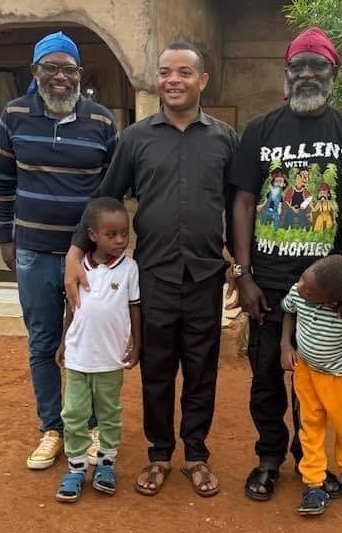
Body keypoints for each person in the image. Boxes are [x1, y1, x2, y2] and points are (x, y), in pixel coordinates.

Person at [64, 41, 238, 498]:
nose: (173, 80)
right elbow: (106, 198)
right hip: (154, 277)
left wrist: (241, 268)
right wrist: (75, 252)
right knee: (156, 371)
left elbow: (238, 205)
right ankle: (160, 454)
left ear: (202, 80)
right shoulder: (136, 138)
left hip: (204, 276)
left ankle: (195, 455)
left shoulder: (224, 138)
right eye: (165, 72)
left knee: (201, 370)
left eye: (184, 72)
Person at [229, 27, 342, 503]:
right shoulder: (261, 130)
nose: (308, 73)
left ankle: (308, 460)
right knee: (266, 377)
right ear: (286, 73)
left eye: (318, 65)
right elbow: (243, 204)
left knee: (314, 384)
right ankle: (269, 458)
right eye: (299, 66)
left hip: (323, 292)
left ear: (334, 72)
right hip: (267, 285)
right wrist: (244, 275)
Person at [0, 31, 118, 470]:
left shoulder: (101, 121)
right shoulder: (13, 115)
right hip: (34, 252)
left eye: (69, 69)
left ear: (80, 74)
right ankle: (53, 428)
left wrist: (103, 248)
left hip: (88, 257)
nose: (60, 77)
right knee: (43, 342)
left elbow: (111, 192)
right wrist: (5, 238)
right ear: (35, 71)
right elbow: (2, 180)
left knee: (89, 341)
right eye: (51, 68)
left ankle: (93, 426)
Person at [54, 197, 141, 503]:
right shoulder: (78, 267)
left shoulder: (129, 269)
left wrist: (137, 343)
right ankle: (76, 469)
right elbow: (71, 308)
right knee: (74, 414)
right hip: (78, 357)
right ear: (92, 235)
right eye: (111, 234)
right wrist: (64, 341)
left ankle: (106, 464)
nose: (120, 240)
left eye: (125, 234)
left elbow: (135, 308)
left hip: (110, 358)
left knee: (109, 414)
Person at [280, 255, 342, 516]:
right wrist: (286, 344)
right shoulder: (299, 292)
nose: (301, 287)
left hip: (339, 378)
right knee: (310, 428)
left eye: (310, 289)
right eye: (303, 278)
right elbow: (289, 311)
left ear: (330, 299)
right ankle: (314, 483)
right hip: (306, 374)